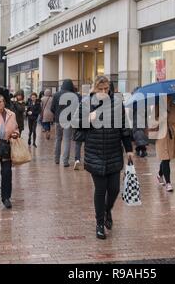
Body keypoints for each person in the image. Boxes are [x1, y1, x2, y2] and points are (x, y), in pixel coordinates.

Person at [80, 76, 134, 240]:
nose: (103, 92)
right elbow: (76, 128)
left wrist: (129, 150)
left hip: (113, 152)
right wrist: (88, 119)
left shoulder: (117, 104)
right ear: (95, 89)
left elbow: (124, 128)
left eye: (106, 89)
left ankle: (107, 209)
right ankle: (99, 224)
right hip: (94, 153)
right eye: (100, 89)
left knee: (115, 189)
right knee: (100, 189)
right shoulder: (86, 104)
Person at [154, 97, 175, 192]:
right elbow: (152, 122)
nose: (168, 98)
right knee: (165, 158)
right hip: (161, 135)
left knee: (167, 159)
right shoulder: (157, 107)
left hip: (173, 136)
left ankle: (159, 174)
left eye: (169, 97)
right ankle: (168, 182)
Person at [51, 79, 81, 168]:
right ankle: (65, 161)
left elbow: (52, 108)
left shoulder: (56, 95)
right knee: (67, 140)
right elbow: (78, 108)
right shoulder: (75, 95)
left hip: (58, 120)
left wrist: (57, 114)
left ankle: (56, 159)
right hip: (69, 120)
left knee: (58, 139)